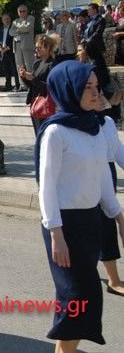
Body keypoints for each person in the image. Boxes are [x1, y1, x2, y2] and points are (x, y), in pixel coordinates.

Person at [35, 60, 124, 352]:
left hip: (90, 223)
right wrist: (56, 235)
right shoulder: (56, 132)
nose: (95, 92)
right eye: (87, 87)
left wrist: (118, 216)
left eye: (96, 87)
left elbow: (101, 180)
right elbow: (46, 188)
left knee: (86, 298)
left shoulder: (95, 128)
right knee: (75, 297)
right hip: (64, 227)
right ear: (69, 88)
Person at [96, 93, 124, 297]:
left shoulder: (107, 122)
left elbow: (118, 152)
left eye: (99, 90)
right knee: (100, 227)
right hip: (86, 178)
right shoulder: (72, 126)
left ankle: (113, 279)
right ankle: (113, 280)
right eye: (91, 89)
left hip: (107, 173)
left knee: (105, 226)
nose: (99, 95)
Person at [20, 34, 55, 135]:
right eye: (36, 48)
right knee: (38, 134)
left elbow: (49, 87)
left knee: (45, 135)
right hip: (34, 102)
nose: (37, 50)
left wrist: (33, 79)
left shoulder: (52, 64)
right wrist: (24, 77)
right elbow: (31, 84)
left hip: (45, 103)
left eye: (39, 48)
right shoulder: (37, 63)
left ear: (48, 47)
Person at [0, 13, 20, 91]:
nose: (6, 21)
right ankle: (8, 86)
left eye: (7, 19)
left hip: (11, 51)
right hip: (3, 52)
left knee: (14, 69)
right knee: (6, 70)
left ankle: (17, 85)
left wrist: (8, 47)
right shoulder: (0, 29)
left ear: (10, 19)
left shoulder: (13, 28)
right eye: (4, 19)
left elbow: (15, 39)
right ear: (2, 21)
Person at [10, 4, 36, 71]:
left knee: (29, 66)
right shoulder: (15, 21)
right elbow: (10, 32)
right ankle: (21, 82)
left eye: (24, 11)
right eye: (20, 11)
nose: (22, 13)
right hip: (16, 45)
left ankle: (31, 81)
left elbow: (26, 28)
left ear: (27, 11)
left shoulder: (30, 18)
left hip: (26, 45)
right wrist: (21, 29)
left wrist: (17, 30)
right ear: (18, 12)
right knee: (20, 67)